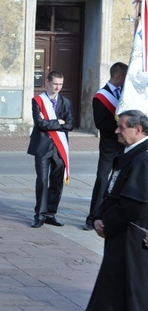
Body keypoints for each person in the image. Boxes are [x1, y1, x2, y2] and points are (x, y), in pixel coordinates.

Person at [86, 109, 148, 310]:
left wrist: (107, 223)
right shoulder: (129, 153)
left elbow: (134, 203)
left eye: (121, 127)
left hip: (131, 236)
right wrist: (98, 216)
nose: (116, 131)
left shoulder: (143, 158)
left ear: (138, 130)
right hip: (120, 235)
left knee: (130, 291)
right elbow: (112, 189)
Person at [84, 61, 127, 230]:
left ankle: (114, 215)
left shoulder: (127, 93)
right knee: (103, 178)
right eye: (125, 76)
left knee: (123, 180)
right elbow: (100, 123)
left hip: (126, 144)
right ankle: (92, 216)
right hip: (110, 144)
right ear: (118, 76)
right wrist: (121, 129)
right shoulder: (101, 96)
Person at [27, 70, 73, 228]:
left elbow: (69, 124)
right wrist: (58, 122)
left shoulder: (66, 102)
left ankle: (51, 214)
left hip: (59, 148)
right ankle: (39, 215)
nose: (58, 87)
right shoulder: (38, 101)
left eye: (61, 84)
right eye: (55, 84)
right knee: (41, 180)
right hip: (42, 146)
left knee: (56, 182)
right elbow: (39, 123)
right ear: (47, 82)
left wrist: (53, 123)